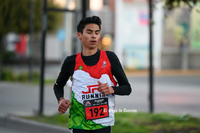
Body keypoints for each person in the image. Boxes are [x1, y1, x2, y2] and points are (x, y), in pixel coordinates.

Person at [53, 16, 132, 133]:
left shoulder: (110, 58)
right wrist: (61, 100)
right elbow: (58, 85)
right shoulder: (71, 61)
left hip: (103, 123)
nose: (94, 36)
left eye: (97, 32)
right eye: (89, 32)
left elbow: (127, 88)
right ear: (79, 35)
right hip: (78, 122)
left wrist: (111, 89)